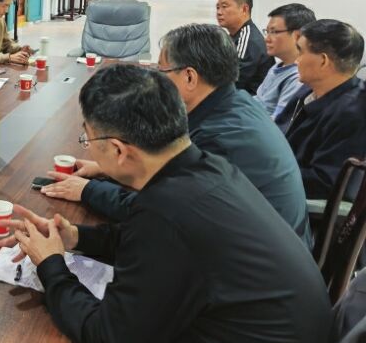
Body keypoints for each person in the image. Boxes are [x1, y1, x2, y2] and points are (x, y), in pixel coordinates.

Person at [0, 64, 332, 343]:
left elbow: (107, 341)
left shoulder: (167, 213)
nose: (87, 148)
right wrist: (76, 237)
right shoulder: (207, 167)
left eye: (86, 138)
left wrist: (51, 265)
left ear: (118, 150)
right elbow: (151, 243)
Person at [42, 24, 311, 248]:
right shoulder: (234, 103)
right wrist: (108, 168)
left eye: (161, 72)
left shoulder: (218, 139)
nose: (154, 81)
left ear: (190, 77)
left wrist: (88, 191)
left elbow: (162, 210)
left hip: (250, 267)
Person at [275, 19, 366, 201]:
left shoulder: (353, 113)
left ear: (323, 61)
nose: (296, 60)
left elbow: (324, 182)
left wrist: (263, 173)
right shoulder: (308, 90)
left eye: (300, 51)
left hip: (300, 206)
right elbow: (276, 133)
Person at [256, 3, 316, 119]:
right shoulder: (278, 66)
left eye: (274, 32)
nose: (267, 39)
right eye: (267, 32)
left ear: (298, 36)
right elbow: (258, 101)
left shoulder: (299, 76)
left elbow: (279, 122)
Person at [216, 0, 272, 94]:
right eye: (217, 7)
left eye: (224, 7)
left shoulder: (248, 38)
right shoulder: (234, 36)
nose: (219, 12)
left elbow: (234, 80)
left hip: (248, 99)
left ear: (244, 9)